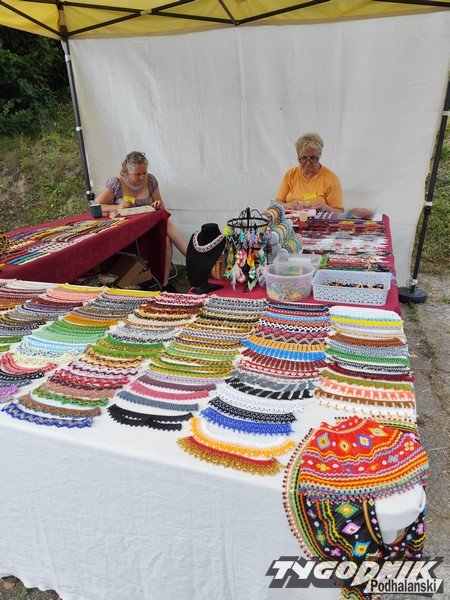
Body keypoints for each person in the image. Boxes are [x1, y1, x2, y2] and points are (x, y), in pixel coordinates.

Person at [95, 151, 187, 291]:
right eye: (137, 174)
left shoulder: (150, 180)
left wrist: (157, 204)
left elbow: (162, 206)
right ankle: (191, 257)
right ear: (127, 171)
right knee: (166, 230)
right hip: (128, 233)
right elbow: (96, 206)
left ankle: (164, 284)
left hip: (149, 228)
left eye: (144, 172)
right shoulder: (116, 182)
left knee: (165, 232)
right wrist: (117, 207)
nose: (142, 177)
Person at [276, 132, 344, 213]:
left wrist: (326, 208)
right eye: (303, 158)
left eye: (313, 158)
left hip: (318, 220)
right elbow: (278, 202)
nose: (308, 163)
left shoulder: (331, 179)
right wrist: (289, 205)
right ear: (298, 156)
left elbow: (339, 212)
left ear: (319, 156)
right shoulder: (290, 175)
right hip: (290, 219)